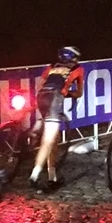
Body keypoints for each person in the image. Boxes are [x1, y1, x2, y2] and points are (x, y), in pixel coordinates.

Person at [30, 47, 84, 192]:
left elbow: (40, 85)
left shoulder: (51, 67)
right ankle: (34, 176)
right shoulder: (78, 69)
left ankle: (52, 177)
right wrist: (67, 93)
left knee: (54, 138)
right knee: (47, 141)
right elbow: (79, 92)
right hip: (55, 98)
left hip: (41, 96)